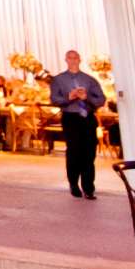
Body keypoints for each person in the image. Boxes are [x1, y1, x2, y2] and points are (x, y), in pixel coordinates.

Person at [47, 49, 107, 199]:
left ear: (80, 60)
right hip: (71, 118)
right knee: (74, 152)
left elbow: (101, 99)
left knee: (89, 153)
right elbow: (54, 100)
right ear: (66, 60)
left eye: (75, 58)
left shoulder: (89, 80)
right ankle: (73, 183)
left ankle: (88, 188)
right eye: (70, 58)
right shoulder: (58, 80)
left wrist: (86, 98)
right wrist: (69, 97)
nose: (73, 60)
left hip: (87, 119)